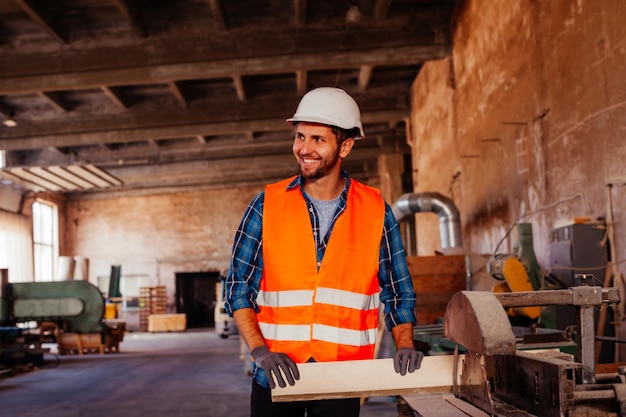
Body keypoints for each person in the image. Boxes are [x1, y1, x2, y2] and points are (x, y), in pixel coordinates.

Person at [225, 87, 422, 417]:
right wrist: (259, 352)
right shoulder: (266, 206)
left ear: (345, 146)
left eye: (318, 139)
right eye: (300, 136)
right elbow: (237, 288)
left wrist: (405, 344)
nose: (304, 148)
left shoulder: (376, 212)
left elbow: (398, 290)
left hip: (342, 375)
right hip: (275, 373)